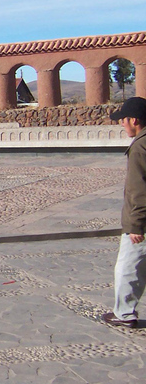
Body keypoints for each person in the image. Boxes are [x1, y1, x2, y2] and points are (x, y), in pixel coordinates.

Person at [104, 97, 146, 328]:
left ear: (135, 120)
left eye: (123, 119)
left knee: (128, 269)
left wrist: (136, 225)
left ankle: (124, 314)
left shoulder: (140, 146)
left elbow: (139, 190)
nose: (122, 124)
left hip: (141, 223)